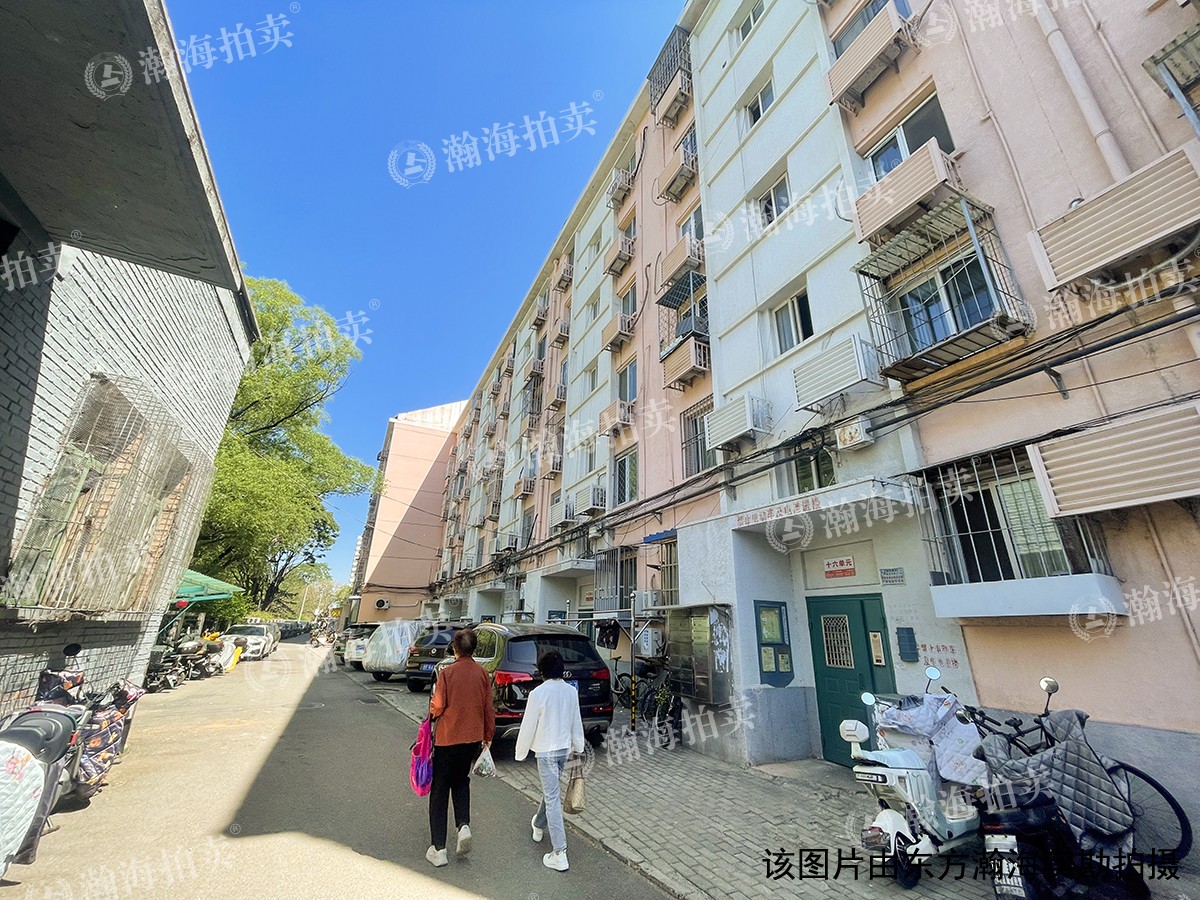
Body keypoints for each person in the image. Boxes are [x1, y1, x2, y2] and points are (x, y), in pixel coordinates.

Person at [426, 628, 495, 867]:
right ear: (473, 648)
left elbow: (438, 705)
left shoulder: (447, 673)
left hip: (448, 737)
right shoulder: (482, 674)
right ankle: (463, 825)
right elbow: (488, 708)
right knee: (461, 781)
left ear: (455, 648)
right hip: (472, 738)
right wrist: (488, 736)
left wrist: (431, 713)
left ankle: (439, 849)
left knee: (440, 789)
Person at [514, 649, 585, 872]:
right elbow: (576, 721)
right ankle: (538, 823)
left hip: (545, 751)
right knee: (551, 792)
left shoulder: (538, 693)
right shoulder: (570, 691)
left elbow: (528, 725)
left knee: (552, 796)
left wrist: (520, 752)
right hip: (563, 749)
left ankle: (559, 852)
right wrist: (579, 746)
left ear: (541, 671)